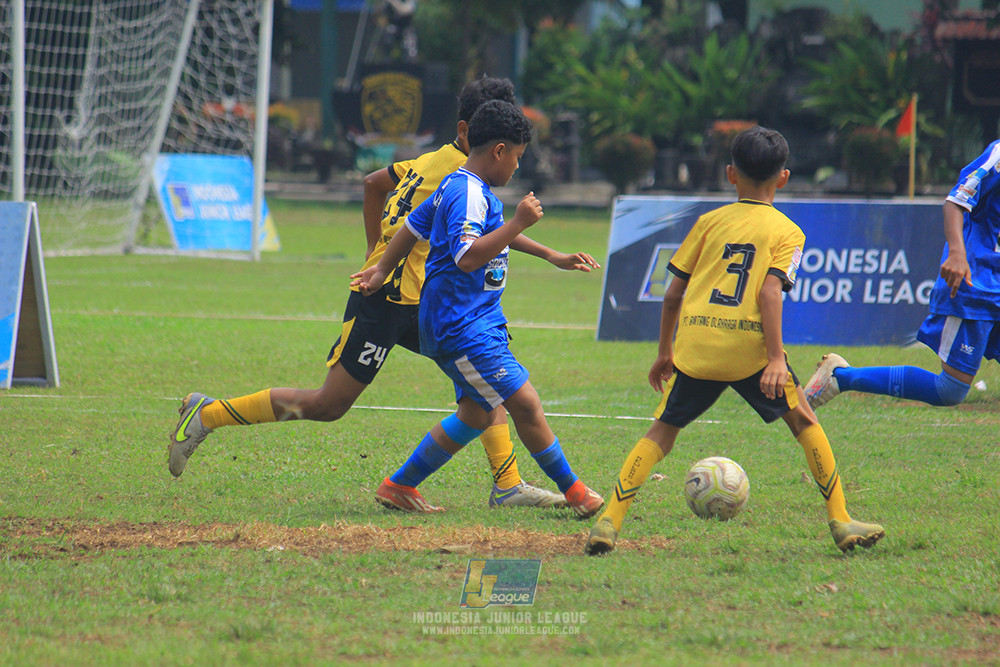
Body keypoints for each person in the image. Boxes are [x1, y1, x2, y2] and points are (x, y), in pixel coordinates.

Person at [169, 77, 598, 510]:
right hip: (391, 301)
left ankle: (503, 484)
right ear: (478, 135)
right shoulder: (461, 175)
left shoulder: (438, 162)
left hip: (423, 301)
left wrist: (378, 253)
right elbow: (465, 240)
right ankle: (209, 413)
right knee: (330, 404)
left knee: (485, 386)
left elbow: (377, 183)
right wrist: (380, 264)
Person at [584, 126, 884, 555]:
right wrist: (777, 358)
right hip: (750, 351)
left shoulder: (708, 222)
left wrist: (665, 353)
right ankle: (840, 520)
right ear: (783, 177)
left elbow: (672, 294)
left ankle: (608, 522)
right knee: (805, 423)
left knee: (662, 433)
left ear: (730, 174)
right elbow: (768, 292)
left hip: (698, 346)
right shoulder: (789, 232)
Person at [351, 100, 604, 517]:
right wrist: (519, 221)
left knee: (475, 413)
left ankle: (399, 485)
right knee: (525, 403)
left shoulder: (461, 185)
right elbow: (468, 257)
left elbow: (413, 228)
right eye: (518, 158)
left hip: (474, 319)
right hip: (460, 324)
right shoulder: (467, 193)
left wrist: (550, 254)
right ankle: (577, 492)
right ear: (499, 151)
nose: (518, 168)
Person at [806, 140, 1000, 411]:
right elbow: (956, 201)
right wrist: (957, 253)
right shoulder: (999, 155)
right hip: (976, 283)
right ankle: (840, 377)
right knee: (950, 390)